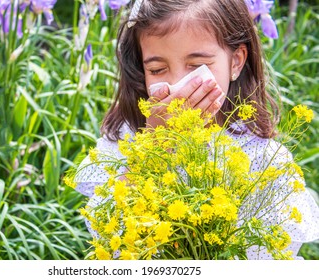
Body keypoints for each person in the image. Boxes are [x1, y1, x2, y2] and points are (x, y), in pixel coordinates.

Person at [74, 0, 319, 259]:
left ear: (236, 62)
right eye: (157, 69)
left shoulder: (265, 161)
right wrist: (152, 145)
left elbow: (272, 256)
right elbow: (107, 237)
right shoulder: (127, 141)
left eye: (196, 65)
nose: (178, 83)